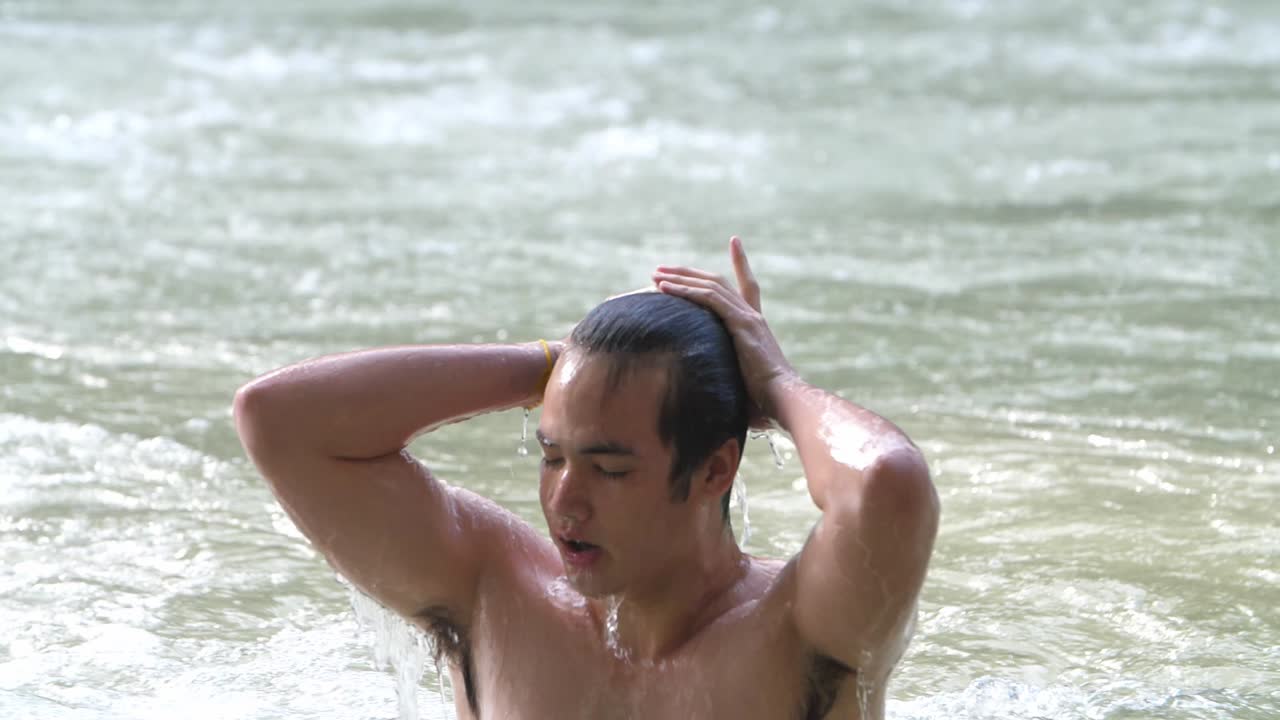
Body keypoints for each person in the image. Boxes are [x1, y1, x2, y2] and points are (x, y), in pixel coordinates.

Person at [233, 237, 939, 719]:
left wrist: (774, 382)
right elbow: (279, 420)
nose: (564, 500)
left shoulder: (798, 633)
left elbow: (886, 481)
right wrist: (556, 364)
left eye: (609, 468)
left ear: (714, 469)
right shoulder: (493, 594)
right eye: (551, 456)